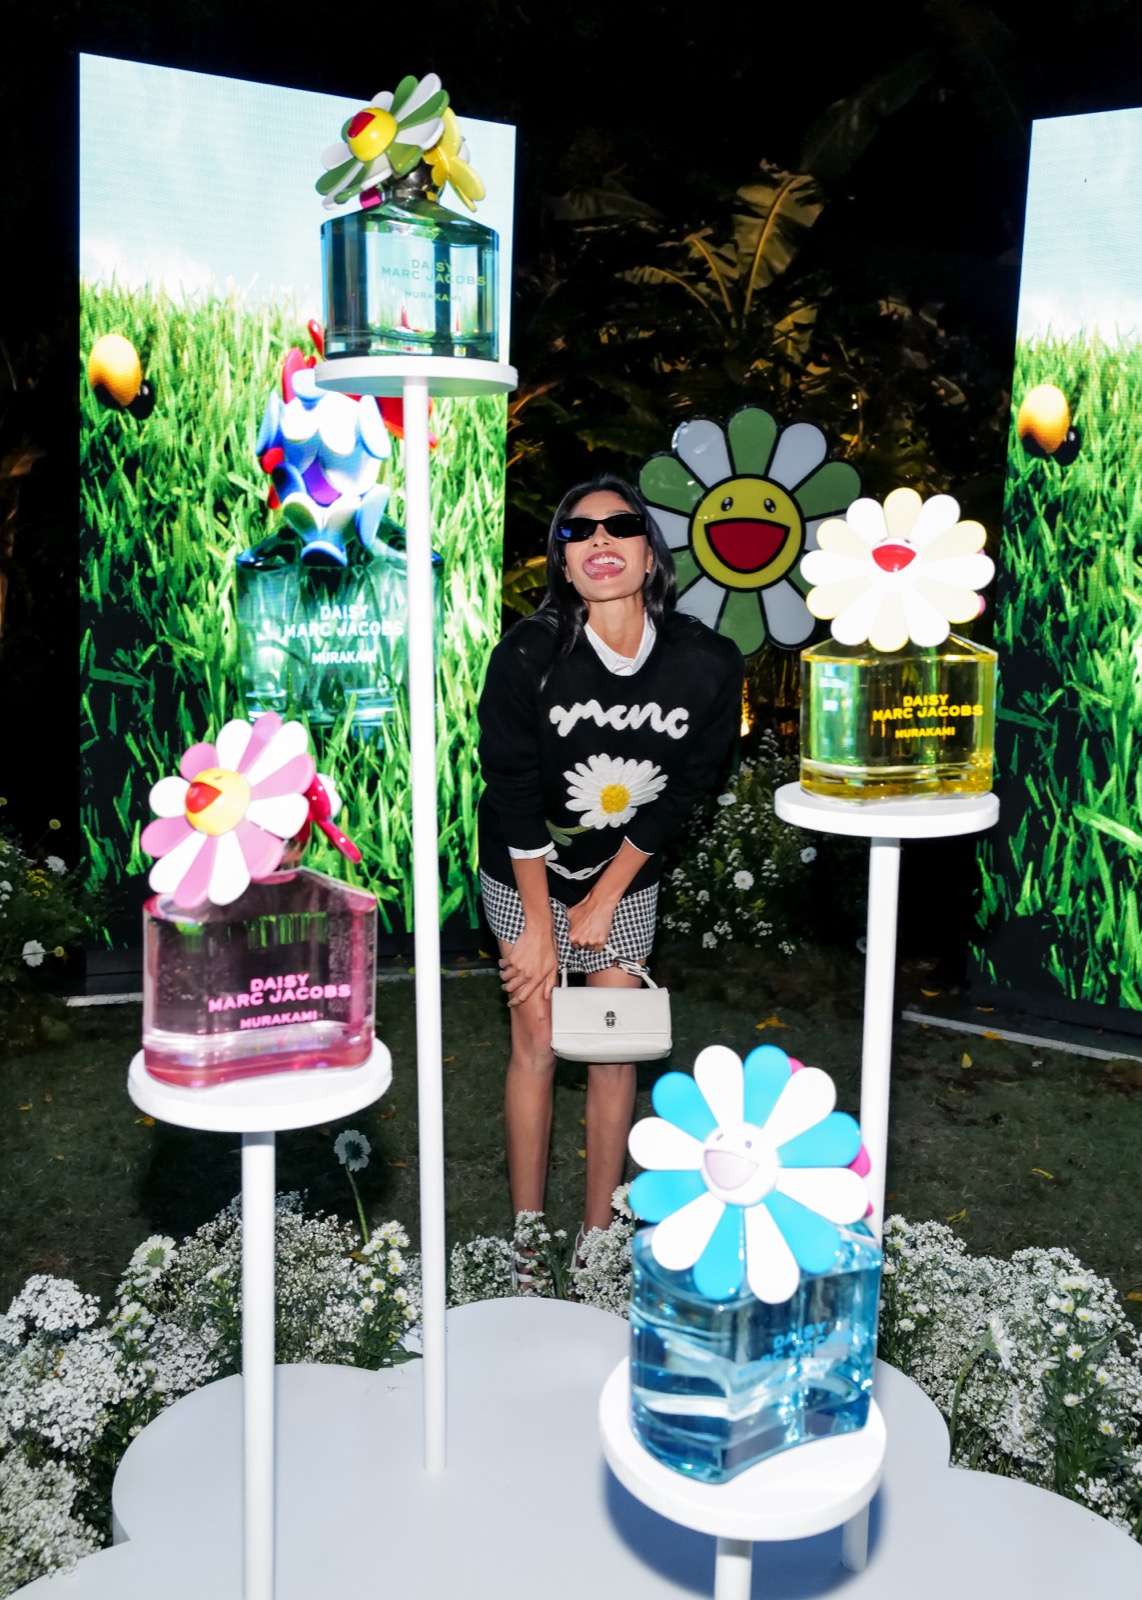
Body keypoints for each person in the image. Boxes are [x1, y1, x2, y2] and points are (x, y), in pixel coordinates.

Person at [477, 474, 743, 1287]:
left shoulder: (705, 662)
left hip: (623, 871)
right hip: (523, 865)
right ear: (562, 562)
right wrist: (538, 929)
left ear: (649, 554)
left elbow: (687, 789)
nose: (600, 540)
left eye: (620, 526)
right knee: (536, 1037)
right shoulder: (529, 656)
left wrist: (604, 896)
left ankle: (596, 1243)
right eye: (578, 530)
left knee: (612, 1043)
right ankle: (527, 1244)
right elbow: (513, 791)